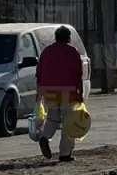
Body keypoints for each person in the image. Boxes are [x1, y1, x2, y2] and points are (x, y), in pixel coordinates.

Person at [35, 26, 84, 162]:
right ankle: (65, 153)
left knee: (52, 119)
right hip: (67, 91)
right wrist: (80, 93)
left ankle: (44, 137)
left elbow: (39, 73)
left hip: (49, 90)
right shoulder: (72, 51)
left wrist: (39, 92)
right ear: (68, 38)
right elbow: (77, 74)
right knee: (69, 122)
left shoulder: (46, 52)